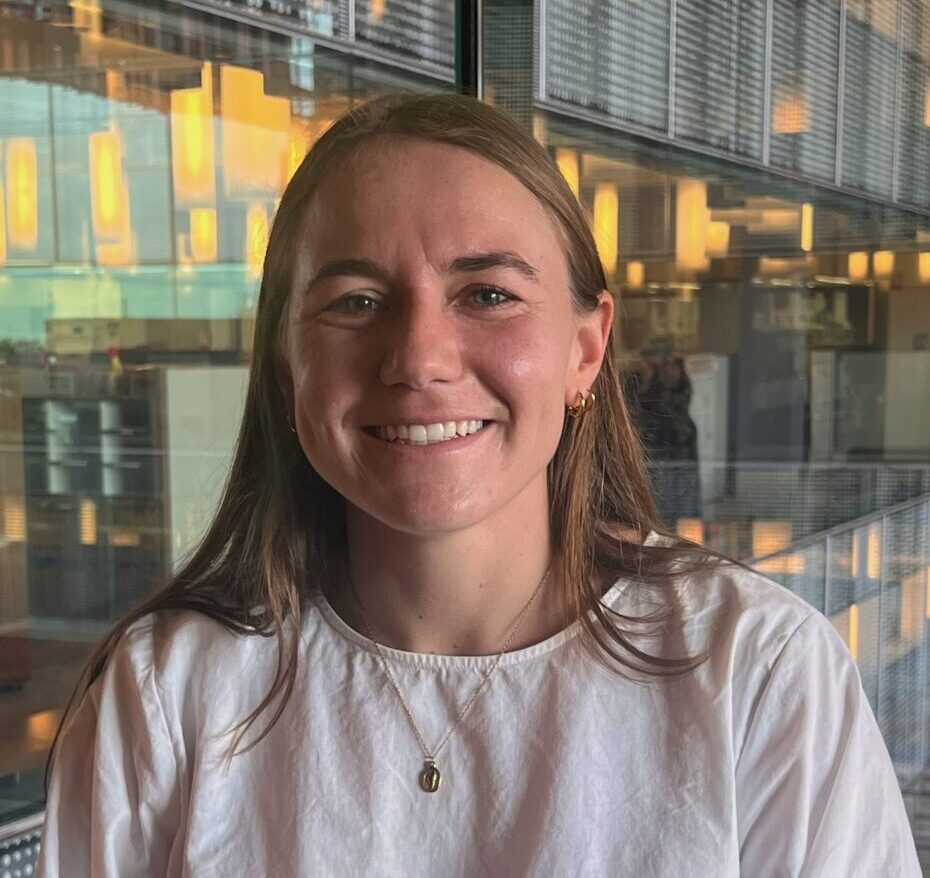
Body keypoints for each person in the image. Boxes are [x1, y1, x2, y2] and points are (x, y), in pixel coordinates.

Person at [38, 94, 919, 877]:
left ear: (585, 349)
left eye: (488, 294)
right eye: (356, 301)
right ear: (284, 361)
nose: (419, 358)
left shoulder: (761, 675)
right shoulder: (165, 695)